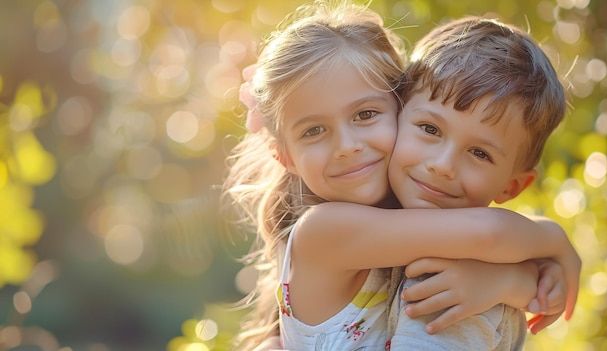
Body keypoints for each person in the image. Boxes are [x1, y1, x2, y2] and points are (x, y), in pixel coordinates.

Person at [223, 1, 580, 350]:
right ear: (285, 156)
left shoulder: (427, 232)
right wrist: (553, 241)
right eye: (313, 131)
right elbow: (489, 234)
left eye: (365, 115)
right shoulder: (321, 230)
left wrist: (512, 281)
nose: (347, 146)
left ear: (399, 106)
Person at [384, 15, 574, 350]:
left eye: (479, 153)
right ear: (394, 112)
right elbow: (490, 233)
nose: (443, 166)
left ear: (512, 187)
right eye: (429, 129)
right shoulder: (340, 214)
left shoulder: (460, 297)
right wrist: (542, 255)